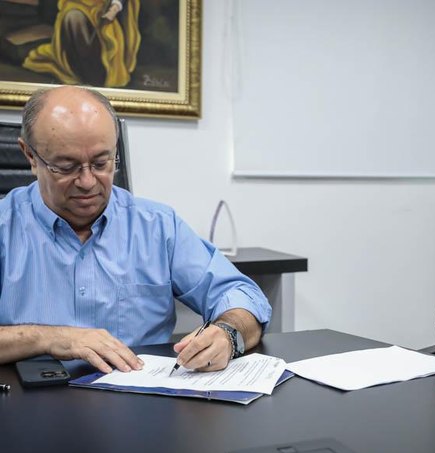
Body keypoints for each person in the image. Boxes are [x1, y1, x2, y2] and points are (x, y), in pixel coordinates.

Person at [0, 85, 271, 374]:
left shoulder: (157, 227)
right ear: (30, 156)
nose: (88, 181)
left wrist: (228, 334)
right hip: (28, 402)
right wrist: (51, 337)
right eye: (67, 167)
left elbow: (243, 296)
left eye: (102, 163)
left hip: (138, 402)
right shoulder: (6, 227)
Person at [23, 0, 141, 87]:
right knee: (73, 19)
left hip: (102, 14)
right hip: (74, 6)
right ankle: (86, 74)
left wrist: (113, 9)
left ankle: (94, 75)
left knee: (90, 35)